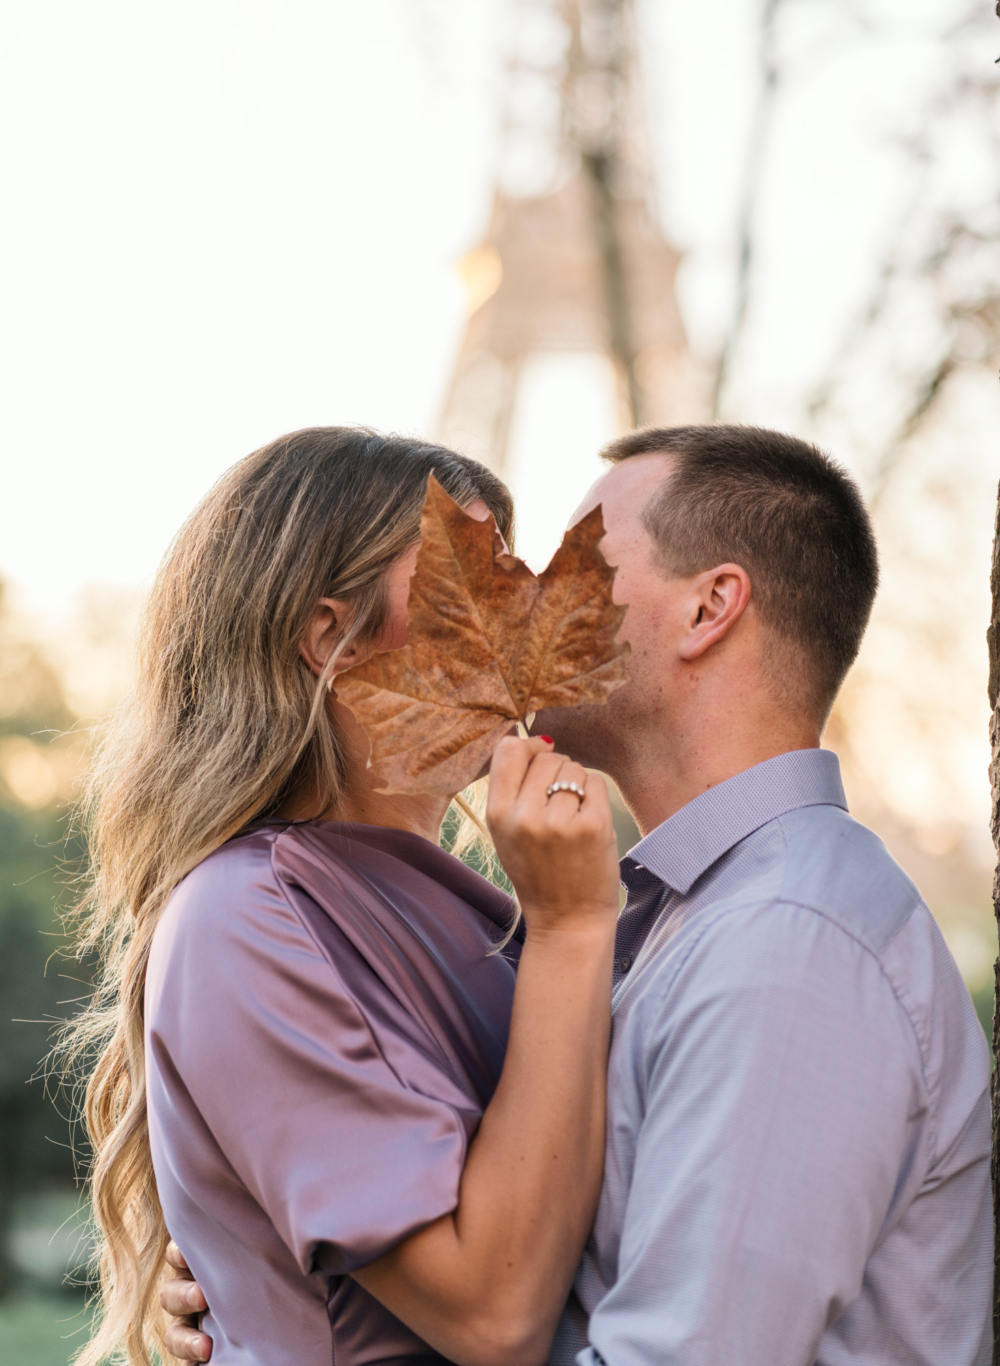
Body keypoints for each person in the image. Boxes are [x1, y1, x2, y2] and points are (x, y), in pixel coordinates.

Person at [166, 423, 990, 1366]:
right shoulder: (660, 919)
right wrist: (261, 1274)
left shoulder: (781, 944)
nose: (528, 611)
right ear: (329, 637)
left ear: (710, 608)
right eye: (477, 582)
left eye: (577, 563)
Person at [68, 426, 622, 1366]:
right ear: (331, 637)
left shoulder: (463, 902)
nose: (514, 629)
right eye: (466, 591)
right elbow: (491, 1319)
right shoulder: (247, 917)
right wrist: (573, 932)